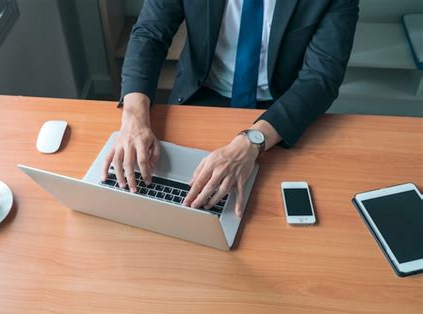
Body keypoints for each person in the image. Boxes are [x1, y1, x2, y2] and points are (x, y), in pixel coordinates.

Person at [103, 0, 359, 217]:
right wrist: (134, 118)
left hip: (279, 110)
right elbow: (150, 32)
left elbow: (321, 78)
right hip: (200, 98)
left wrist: (252, 142)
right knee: (164, 201)